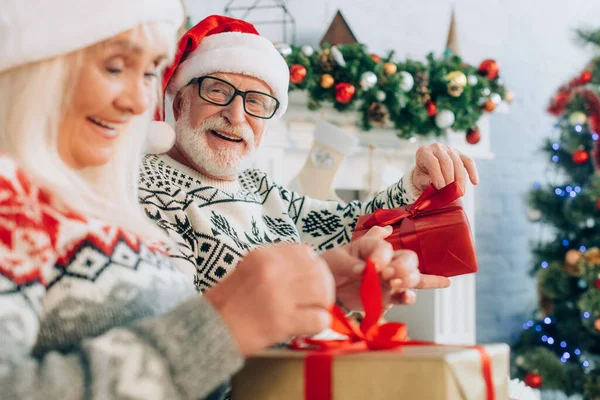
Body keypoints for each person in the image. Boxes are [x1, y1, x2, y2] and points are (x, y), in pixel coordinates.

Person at [0, 2, 444, 399]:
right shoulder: (119, 195)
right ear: (178, 100)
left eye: (150, 71)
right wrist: (224, 325)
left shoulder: (109, 200)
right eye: (115, 66)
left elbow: (336, 220)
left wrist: (327, 287)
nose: (137, 100)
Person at [139, 15, 478, 295]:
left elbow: (343, 224)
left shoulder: (256, 185)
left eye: (255, 102)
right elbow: (177, 332)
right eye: (217, 90)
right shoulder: (147, 194)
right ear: (180, 102)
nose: (237, 115)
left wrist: (413, 185)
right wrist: (329, 297)